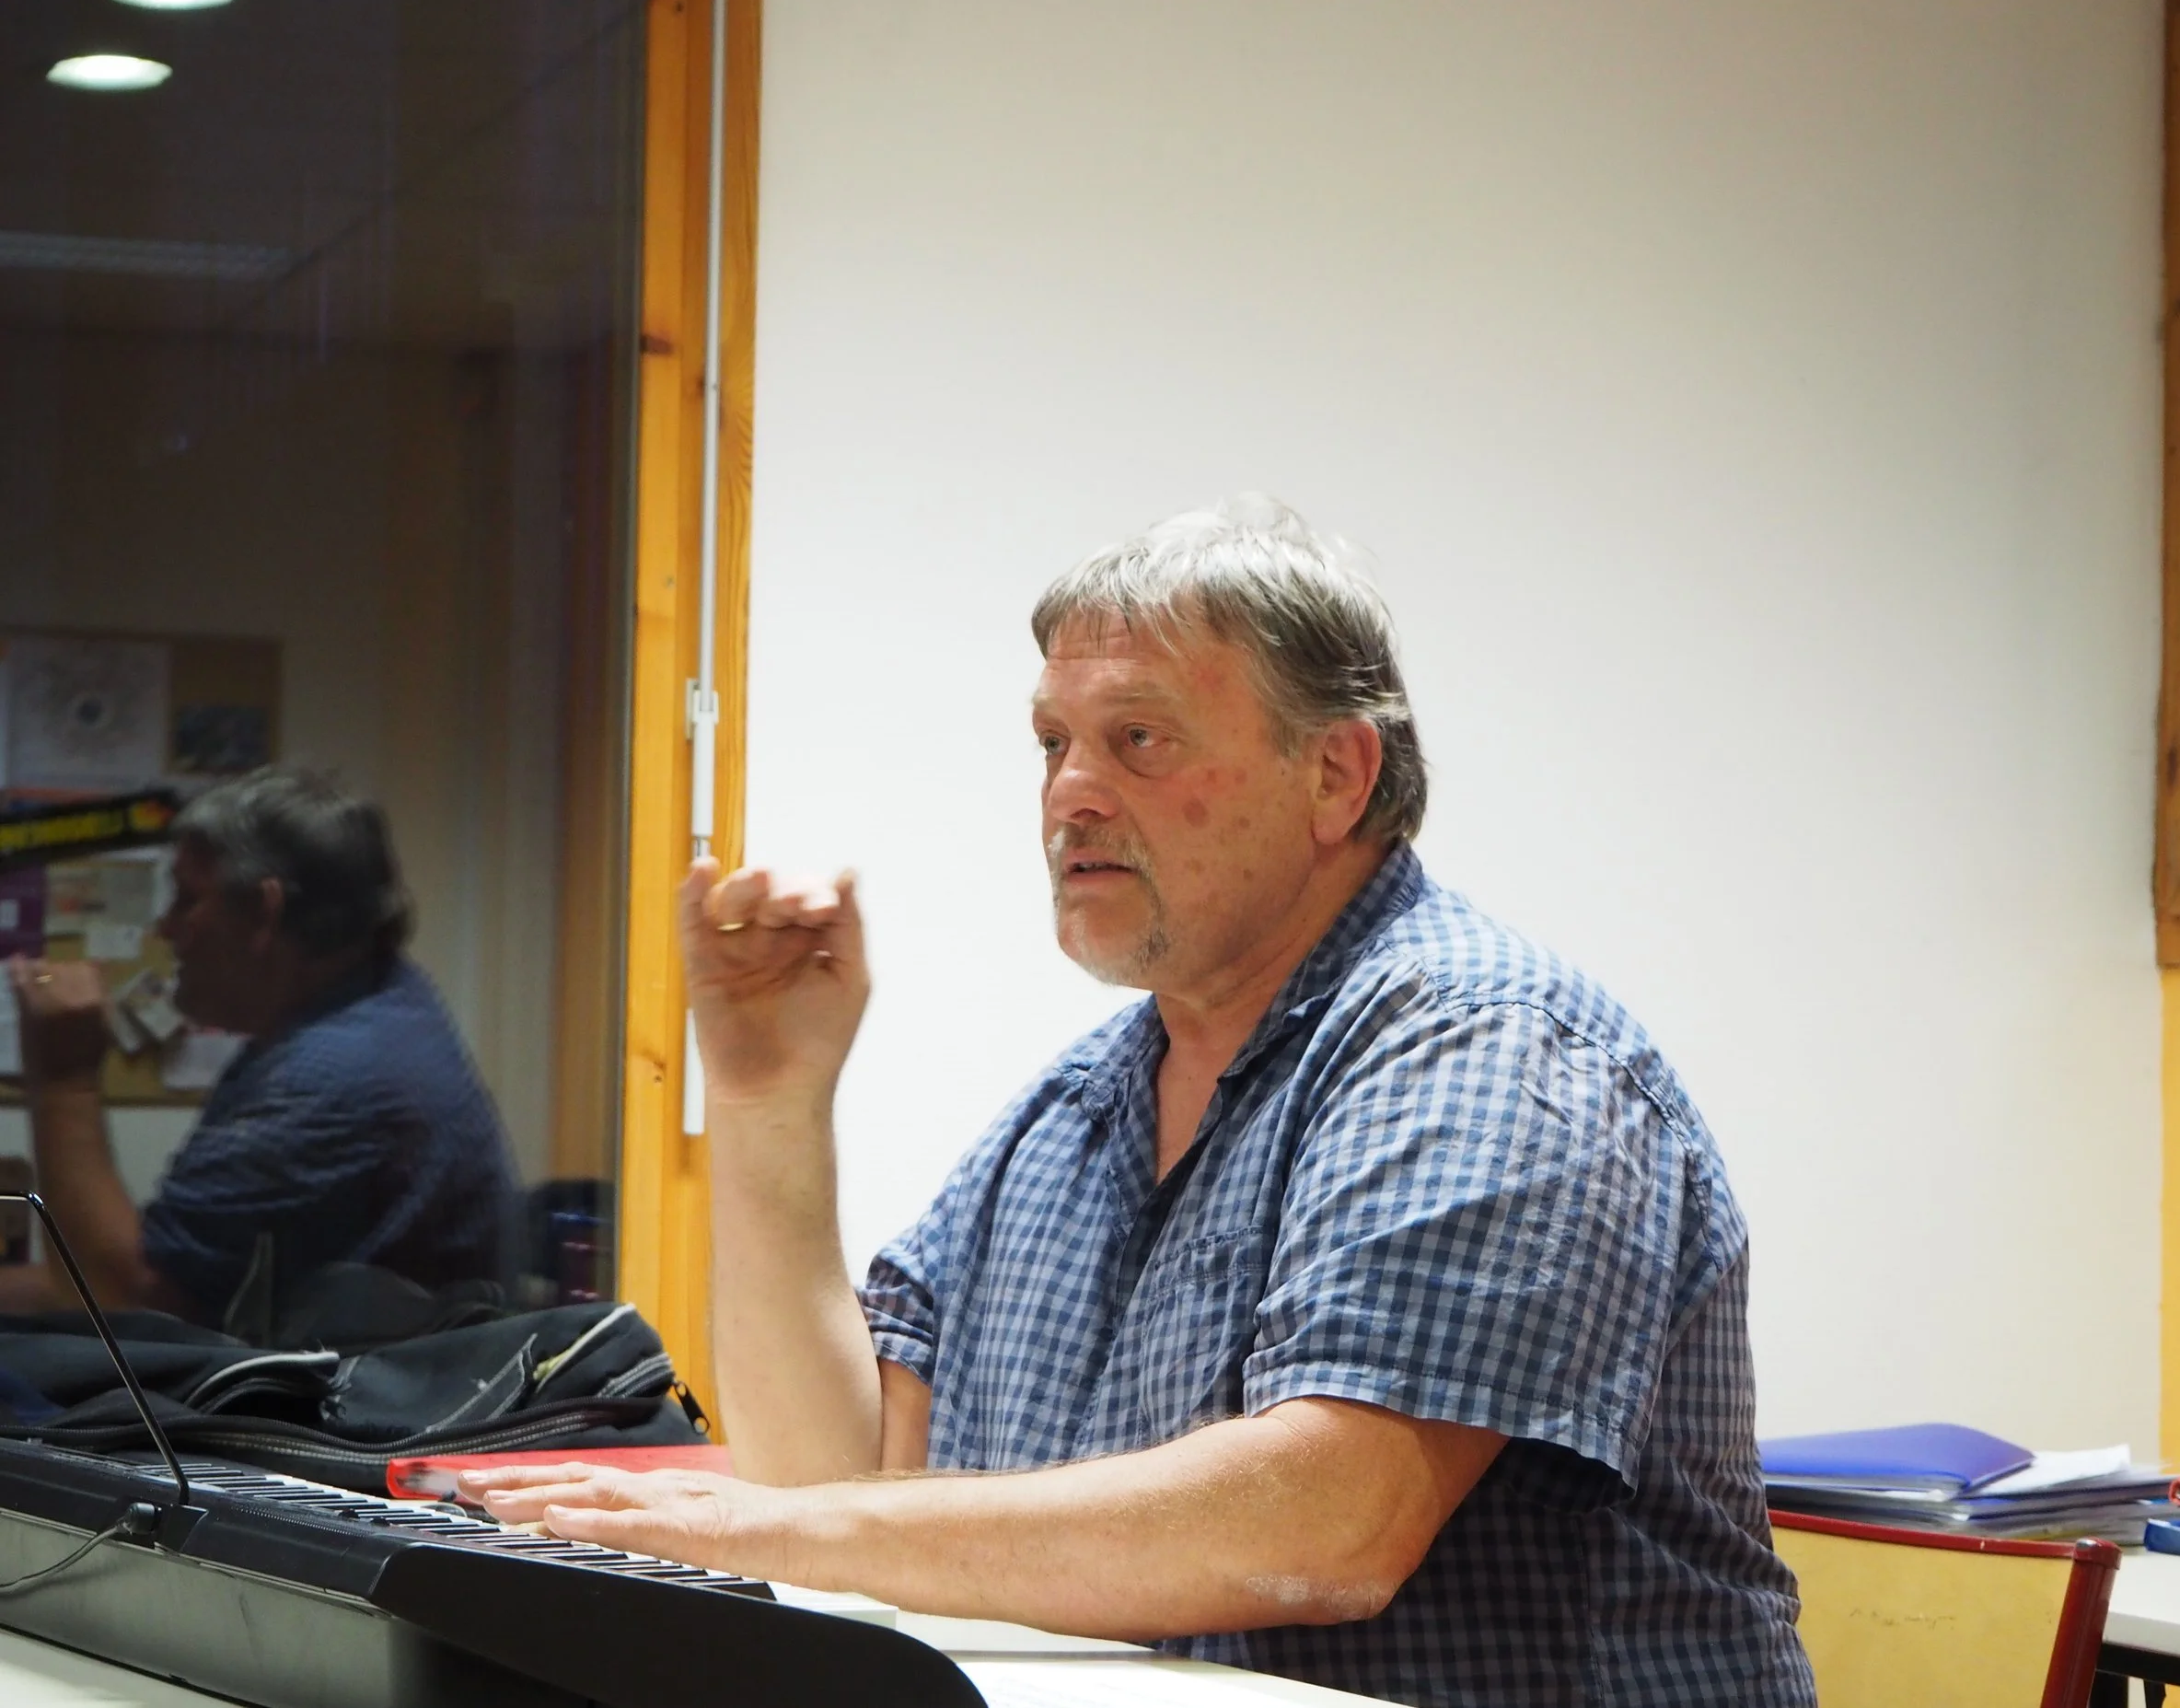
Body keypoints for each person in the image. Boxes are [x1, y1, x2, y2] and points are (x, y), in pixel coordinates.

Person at [468, 496, 1816, 1706]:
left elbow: (1325, 1523)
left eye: (1140, 739)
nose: (1070, 793)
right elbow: (838, 1477)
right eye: (1052, 741)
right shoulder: (1076, 1105)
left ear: (1336, 776)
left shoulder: (1490, 1047)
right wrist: (770, 1097)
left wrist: (763, 1530)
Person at [1, 767, 517, 1329]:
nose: (164, 928)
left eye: (186, 899)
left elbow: (127, 1308)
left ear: (263, 911)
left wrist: (65, 1078)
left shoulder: (332, 1077)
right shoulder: (373, 1007)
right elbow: (162, 1281)